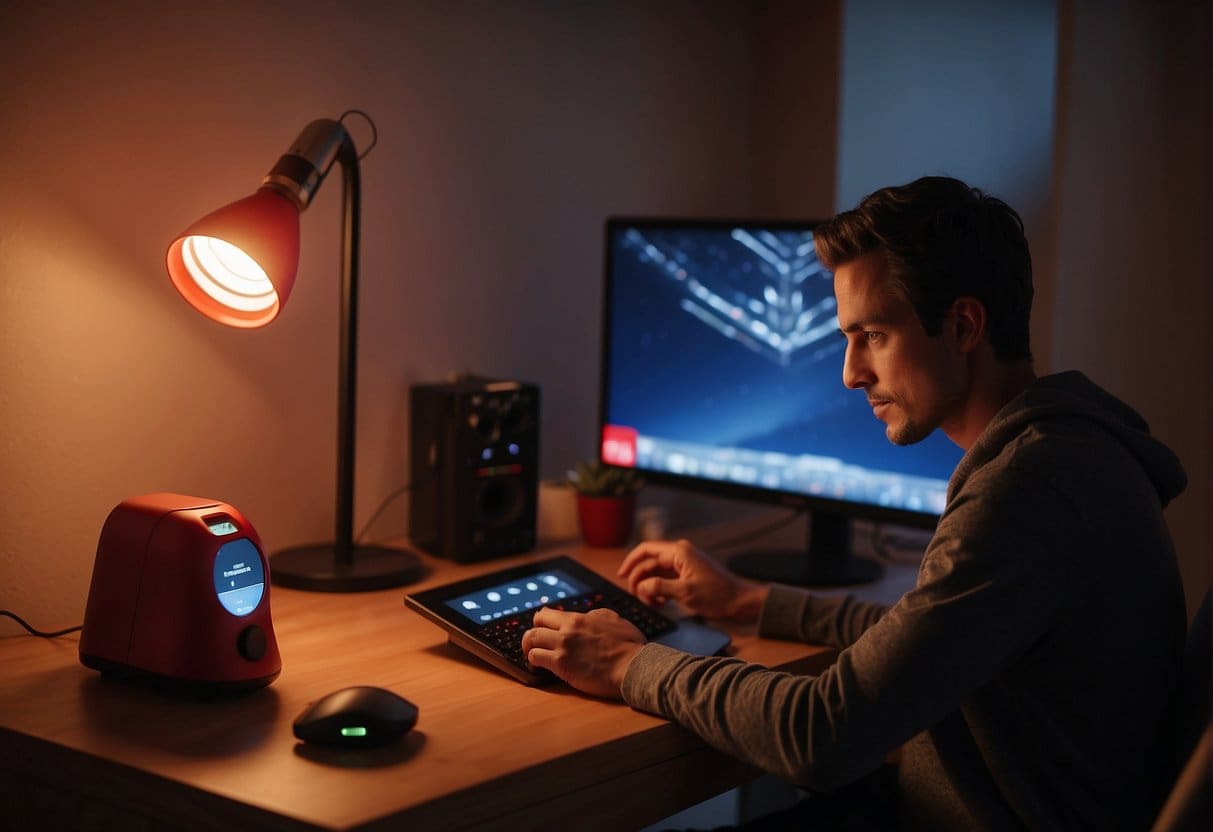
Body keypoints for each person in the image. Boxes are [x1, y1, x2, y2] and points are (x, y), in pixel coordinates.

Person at [521, 176, 1189, 830]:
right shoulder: (1062, 453)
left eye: (871, 335)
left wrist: (626, 663)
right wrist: (751, 603)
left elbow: (822, 734)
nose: (849, 373)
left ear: (961, 326)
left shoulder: (1027, 490)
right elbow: (929, 642)